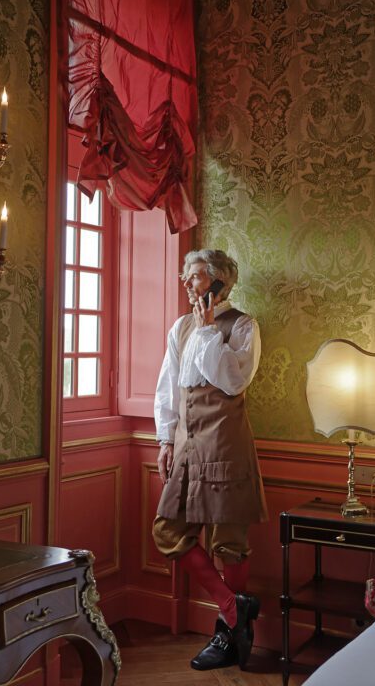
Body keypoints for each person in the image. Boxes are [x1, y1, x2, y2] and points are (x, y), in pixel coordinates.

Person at [151, 248, 268, 671]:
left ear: (220, 281)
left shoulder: (243, 326)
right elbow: (168, 385)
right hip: (187, 444)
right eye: (186, 275)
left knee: (229, 544)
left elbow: (233, 381)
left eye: (196, 276)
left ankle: (226, 634)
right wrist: (166, 440)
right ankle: (234, 607)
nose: (187, 282)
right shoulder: (181, 327)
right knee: (167, 531)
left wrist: (207, 332)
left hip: (225, 444)